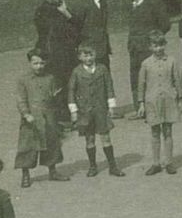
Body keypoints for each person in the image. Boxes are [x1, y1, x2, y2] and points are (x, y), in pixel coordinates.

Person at [66, 41, 121, 179]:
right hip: (85, 111)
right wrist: (73, 110)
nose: (89, 58)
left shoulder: (102, 69)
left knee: (106, 137)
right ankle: (92, 166)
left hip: (101, 109)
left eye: (91, 55)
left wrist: (111, 105)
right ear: (80, 57)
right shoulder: (77, 72)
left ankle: (113, 166)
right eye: (85, 56)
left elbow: (109, 86)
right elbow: (71, 91)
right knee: (89, 139)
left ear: (95, 55)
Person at [13, 49, 64, 188]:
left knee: (52, 143)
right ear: (30, 63)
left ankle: (52, 171)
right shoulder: (23, 79)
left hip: (49, 116)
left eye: (42, 63)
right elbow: (21, 99)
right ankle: (25, 174)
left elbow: (55, 96)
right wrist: (26, 114)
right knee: (28, 146)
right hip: (32, 118)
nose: (39, 66)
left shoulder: (50, 78)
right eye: (35, 63)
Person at [138, 31, 182, 176]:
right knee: (154, 132)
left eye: (161, 45)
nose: (158, 49)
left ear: (164, 45)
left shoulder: (171, 61)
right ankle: (155, 163)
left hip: (168, 100)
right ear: (150, 47)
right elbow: (141, 84)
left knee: (167, 131)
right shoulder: (146, 63)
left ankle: (169, 162)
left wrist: (179, 100)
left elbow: (177, 81)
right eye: (155, 46)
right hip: (152, 101)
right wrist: (141, 103)